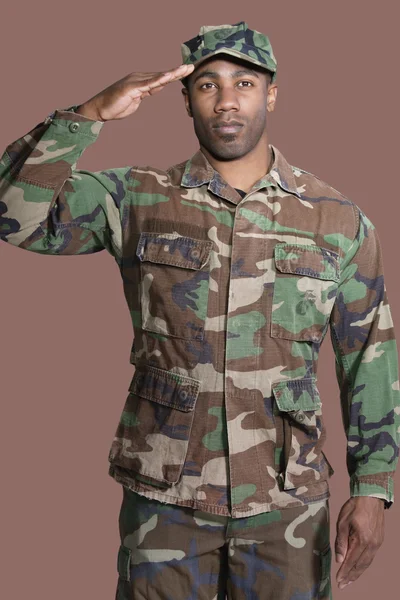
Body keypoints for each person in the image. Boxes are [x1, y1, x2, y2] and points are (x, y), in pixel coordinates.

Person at [0, 20, 399, 600]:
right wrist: (88, 114)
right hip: (166, 497)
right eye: (208, 85)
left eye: (245, 82)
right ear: (185, 99)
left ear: (272, 94)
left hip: (286, 502)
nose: (228, 100)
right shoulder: (136, 197)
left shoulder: (336, 220)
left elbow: (370, 358)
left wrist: (376, 485)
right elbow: (14, 212)